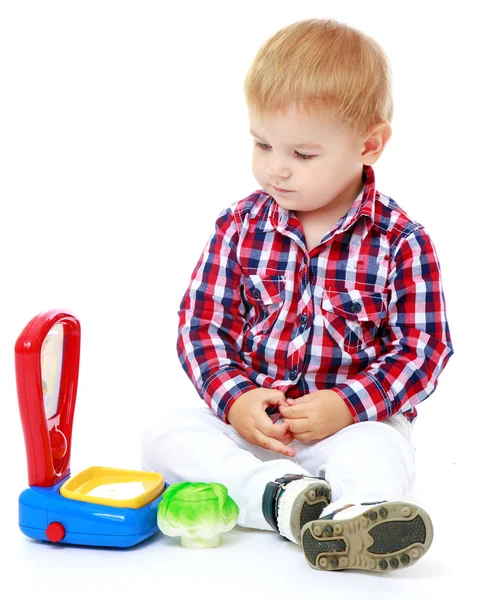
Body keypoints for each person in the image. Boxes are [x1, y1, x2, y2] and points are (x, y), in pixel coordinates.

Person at [141, 18, 453, 572]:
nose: (274, 169)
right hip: (256, 425)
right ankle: (281, 498)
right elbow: (202, 327)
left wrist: (347, 405)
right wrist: (235, 400)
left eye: (303, 154)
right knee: (167, 436)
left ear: (369, 145)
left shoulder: (400, 240)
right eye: (262, 144)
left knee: (381, 449)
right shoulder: (240, 225)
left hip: (351, 423)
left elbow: (422, 350)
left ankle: (360, 513)